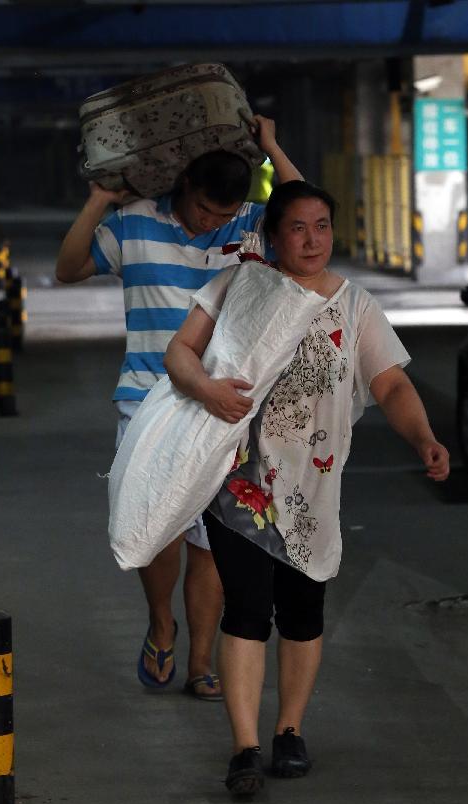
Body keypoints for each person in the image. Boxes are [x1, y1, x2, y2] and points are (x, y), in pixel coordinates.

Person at [163, 180, 450, 794]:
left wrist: (422, 437)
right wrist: (204, 388)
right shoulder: (239, 287)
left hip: (313, 488)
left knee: (302, 611)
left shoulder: (354, 305)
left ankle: (289, 731)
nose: (312, 238)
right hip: (236, 479)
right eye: (297, 227)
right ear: (273, 235)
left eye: (322, 225)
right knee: (246, 605)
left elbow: (391, 385)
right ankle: (244, 746)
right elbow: (180, 351)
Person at [55, 116, 303, 698]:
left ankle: (200, 661)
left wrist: (271, 146)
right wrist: (98, 200)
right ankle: (160, 621)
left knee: (211, 540)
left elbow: (304, 214)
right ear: (183, 187)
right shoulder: (135, 222)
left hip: (225, 404)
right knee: (158, 525)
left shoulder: (246, 226)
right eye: (202, 211)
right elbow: (67, 269)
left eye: (222, 214)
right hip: (147, 397)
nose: (212, 224)